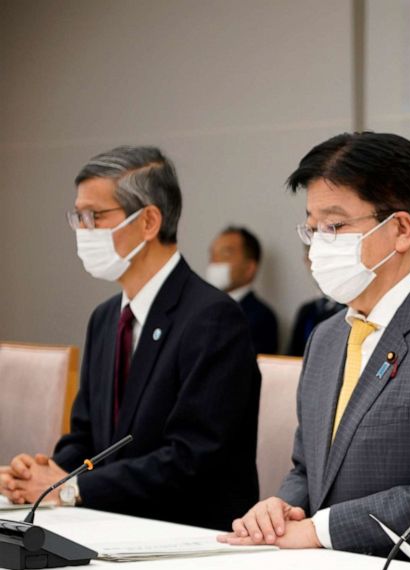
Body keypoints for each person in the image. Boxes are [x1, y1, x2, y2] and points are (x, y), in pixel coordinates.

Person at [217, 132, 410, 566]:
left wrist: (319, 530)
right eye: (312, 227)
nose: (318, 243)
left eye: (335, 226)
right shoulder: (328, 335)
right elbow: (309, 469)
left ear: (400, 230)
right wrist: (282, 509)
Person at [0, 146, 260, 529]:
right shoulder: (105, 318)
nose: (83, 230)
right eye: (78, 217)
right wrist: (45, 476)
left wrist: (71, 489)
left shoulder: (213, 318)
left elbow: (191, 459)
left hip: (187, 537)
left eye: (95, 216)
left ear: (149, 221)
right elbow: (85, 436)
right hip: (109, 524)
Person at [205, 226, 279, 354]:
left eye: (225, 254)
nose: (215, 261)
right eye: (213, 254)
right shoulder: (201, 309)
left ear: (249, 268)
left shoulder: (261, 317)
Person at [286, 246, 346, 356]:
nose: (317, 266)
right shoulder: (306, 312)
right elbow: (290, 360)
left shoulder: (353, 308)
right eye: (311, 258)